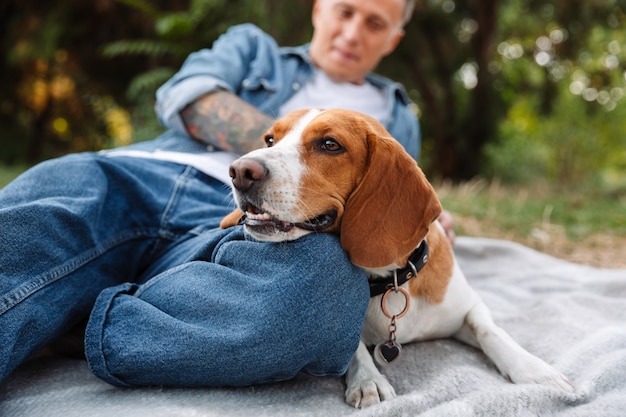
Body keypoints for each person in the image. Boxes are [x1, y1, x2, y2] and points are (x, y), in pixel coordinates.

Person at [0, 0, 449, 387]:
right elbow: (185, 95)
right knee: (29, 235)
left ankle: (76, 323)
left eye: (374, 24)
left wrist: (418, 221)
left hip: (238, 234)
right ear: (318, 10)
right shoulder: (252, 48)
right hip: (139, 176)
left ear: (393, 39)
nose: (352, 32)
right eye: (344, 11)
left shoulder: (397, 117)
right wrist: (279, 156)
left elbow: (390, 200)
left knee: (324, 296)